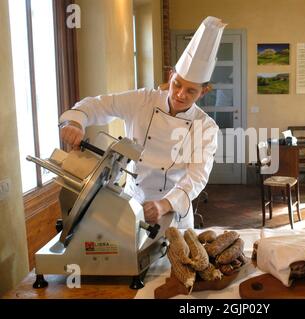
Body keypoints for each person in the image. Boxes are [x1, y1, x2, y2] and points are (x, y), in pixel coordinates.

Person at [58, 16, 227, 229]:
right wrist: (75, 122)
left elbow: (196, 177)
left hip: (173, 211)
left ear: (203, 92)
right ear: (171, 75)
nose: (180, 94)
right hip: (130, 204)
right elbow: (98, 105)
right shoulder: (142, 100)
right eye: (177, 85)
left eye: (191, 90)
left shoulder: (206, 126)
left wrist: (164, 204)